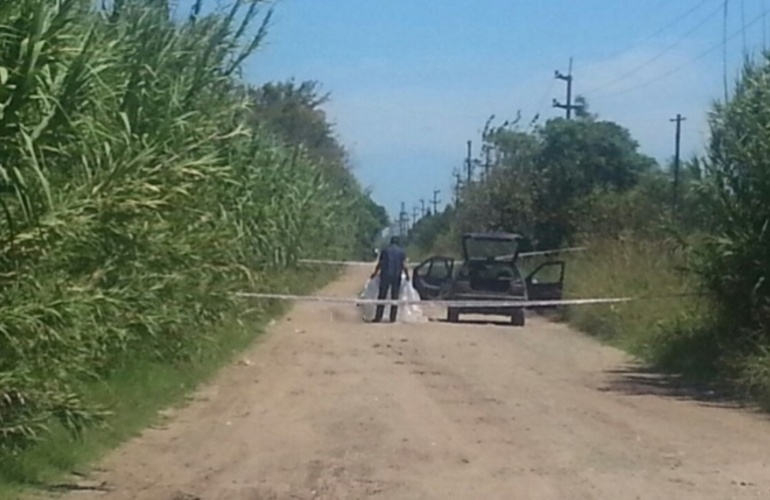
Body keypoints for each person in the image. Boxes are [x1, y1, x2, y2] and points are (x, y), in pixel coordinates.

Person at [370, 236, 410, 323]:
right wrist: (407, 275)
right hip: (396, 276)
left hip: (385, 275)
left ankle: (378, 317)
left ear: (391, 242)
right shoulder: (401, 252)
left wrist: (375, 273)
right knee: (394, 297)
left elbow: (380, 264)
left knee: (382, 296)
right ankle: (392, 318)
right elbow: (404, 265)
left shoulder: (385, 251)